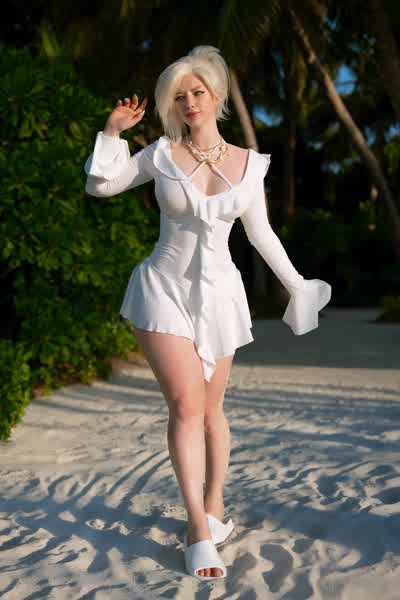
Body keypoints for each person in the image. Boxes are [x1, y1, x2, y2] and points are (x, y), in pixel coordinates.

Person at [84, 45, 332, 582]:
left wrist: (297, 287)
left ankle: (215, 500)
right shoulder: (159, 154)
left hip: (220, 296)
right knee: (185, 405)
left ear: (216, 96)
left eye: (197, 92)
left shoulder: (250, 163)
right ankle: (197, 526)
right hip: (161, 289)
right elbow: (101, 185)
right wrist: (112, 133)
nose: (189, 102)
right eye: (179, 96)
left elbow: (261, 234)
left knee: (212, 409)